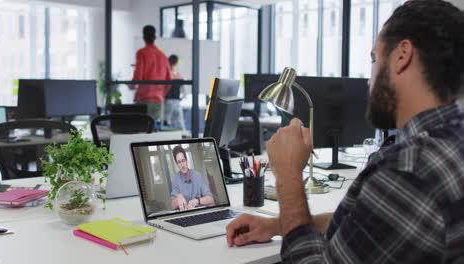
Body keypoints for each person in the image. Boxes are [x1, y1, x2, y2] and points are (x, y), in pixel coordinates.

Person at [226, 0, 464, 262]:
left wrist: (289, 175)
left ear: (401, 55)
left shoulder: (408, 170)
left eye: (374, 59)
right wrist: (278, 225)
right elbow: (369, 227)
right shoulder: (451, 142)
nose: (368, 79)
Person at [130, 25, 172, 123]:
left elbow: (138, 76)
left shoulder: (141, 53)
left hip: (143, 99)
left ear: (144, 37)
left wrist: (131, 86)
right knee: (155, 132)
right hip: (158, 100)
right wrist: (161, 94)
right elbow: (169, 80)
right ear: (155, 37)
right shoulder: (163, 55)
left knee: (140, 130)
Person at [171, 146, 215, 211]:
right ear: (177, 164)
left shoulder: (197, 176)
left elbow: (211, 199)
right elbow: (173, 205)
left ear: (186, 161)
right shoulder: (175, 179)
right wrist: (178, 197)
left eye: (183, 161)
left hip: (199, 213)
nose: (182, 165)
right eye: (179, 162)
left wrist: (198, 200)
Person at [164, 55, 186, 130]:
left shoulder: (165, 74)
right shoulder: (179, 75)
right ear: (176, 63)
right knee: (179, 124)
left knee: (166, 122)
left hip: (167, 101)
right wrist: (180, 99)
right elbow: (184, 92)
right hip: (176, 101)